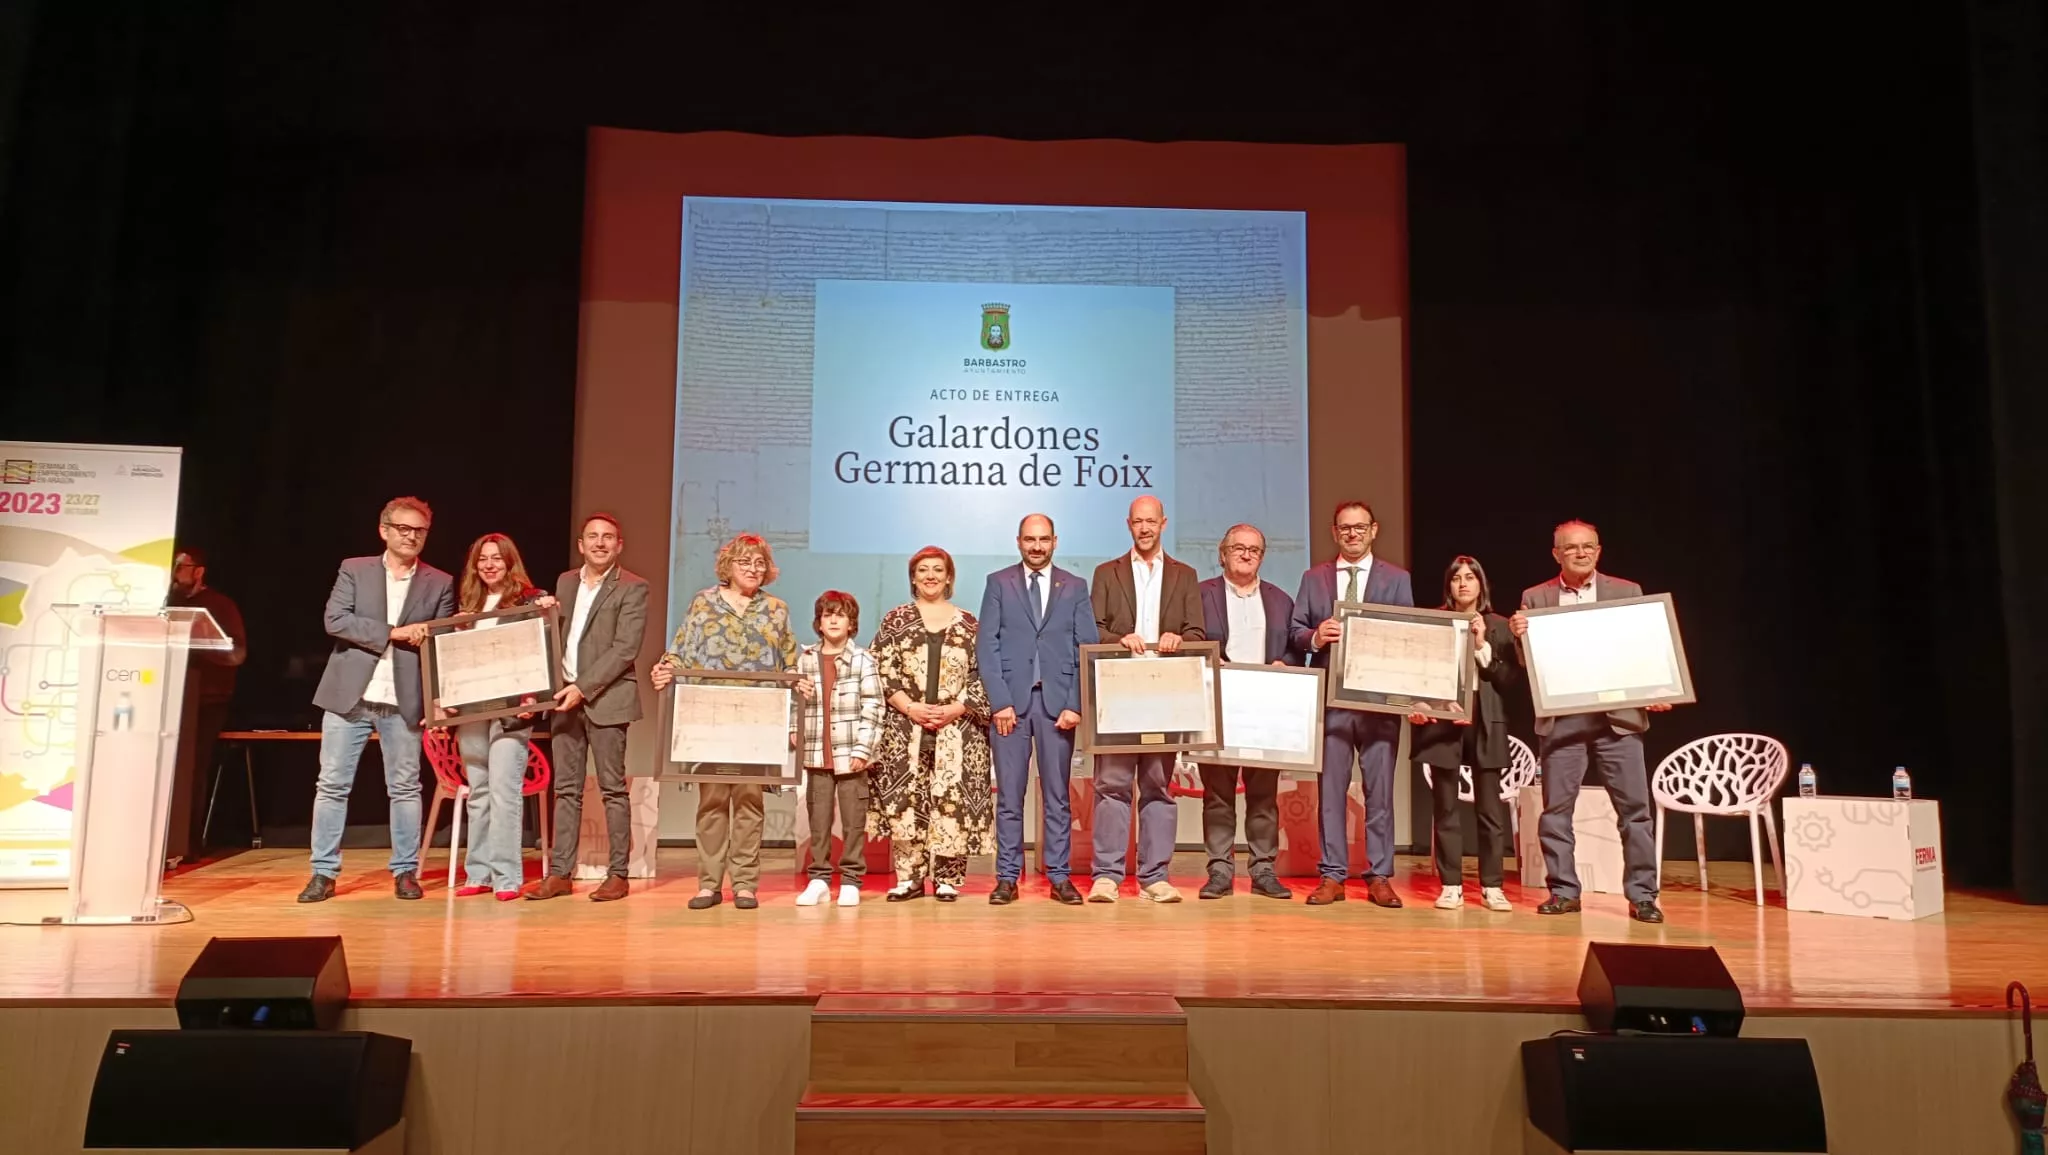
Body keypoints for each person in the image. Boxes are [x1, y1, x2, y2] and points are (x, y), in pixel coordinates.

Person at [1511, 519, 1670, 923]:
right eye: (1571, 548)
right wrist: (1519, 637)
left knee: (1635, 812)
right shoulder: (1536, 597)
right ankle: (1564, 891)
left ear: (1599, 551)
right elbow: (1524, 664)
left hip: (1616, 721)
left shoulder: (1626, 591)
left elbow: (1644, 648)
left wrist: (1656, 690)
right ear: (1556, 554)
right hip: (1563, 720)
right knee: (1556, 813)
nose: (1581, 553)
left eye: (1588, 547)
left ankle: (1643, 896)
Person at [299, 497, 455, 903]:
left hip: (404, 699)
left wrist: (438, 697)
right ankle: (323, 872)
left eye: (419, 530)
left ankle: (405, 871)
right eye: (404, 529)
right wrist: (393, 633)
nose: (411, 537)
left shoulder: (440, 581)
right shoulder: (355, 569)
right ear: (384, 530)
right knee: (332, 785)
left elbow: (443, 641)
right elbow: (336, 620)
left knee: (405, 787)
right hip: (350, 695)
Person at [653, 532, 798, 911]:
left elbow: (789, 662)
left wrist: (799, 700)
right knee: (713, 800)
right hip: (710, 717)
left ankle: (746, 884)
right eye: (744, 562)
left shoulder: (776, 609)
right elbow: (681, 649)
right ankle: (709, 883)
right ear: (728, 566)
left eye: (759, 563)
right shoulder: (704, 603)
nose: (753, 569)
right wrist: (665, 670)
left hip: (757, 720)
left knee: (749, 802)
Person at [1290, 500, 1414, 908]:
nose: (1353, 533)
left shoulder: (1397, 579)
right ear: (1334, 532)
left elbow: (1409, 637)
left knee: (1379, 793)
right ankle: (1332, 876)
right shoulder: (1314, 578)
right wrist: (1315, 636)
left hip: (1379, 702)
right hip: (1333, 702)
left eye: (1360, 527)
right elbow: (1295, 631)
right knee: (1332, 791)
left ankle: (1379, 875)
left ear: (1374, 530)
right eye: (1345, 528)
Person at [525, 513, 649, 903]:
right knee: (566, 790)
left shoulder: (633, 587)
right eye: (592, 537)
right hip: (564, 701)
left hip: (606, 699)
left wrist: (583, 687)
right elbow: (557, 638)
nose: (600, 543)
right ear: (581, 544)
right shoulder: (565, 582)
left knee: (613, 789)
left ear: (619, 545)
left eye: (608, 537)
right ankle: (560, 873)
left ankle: (618, 874)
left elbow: (625, 649)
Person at [1088, 495, 1206, 904]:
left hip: (1165, 695)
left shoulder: (1185, 575)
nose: (1144, 528)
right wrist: (1118, 640)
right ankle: (1107, 875)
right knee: (1112, 785)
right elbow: (1092, 631)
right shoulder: (1107, 573)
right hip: (1119, 693)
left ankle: (1155, 876)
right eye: (1138, 521)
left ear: (1164, 523)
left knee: (1158, 786)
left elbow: (1198, 633)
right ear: (1128, 525)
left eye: (1151, 521)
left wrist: (1180, 639)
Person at [976, 513, 1096, 907]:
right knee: (1010, 796)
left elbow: (1086, 649)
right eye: (1030, 539)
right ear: (1018, 541)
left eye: (1043, 539)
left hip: (1057, 706)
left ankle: (1059, 877)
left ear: (1055, 542)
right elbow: (986, 647)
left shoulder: (1075, 586)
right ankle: (1007, 877)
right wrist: (1000, 703)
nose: (1037, 546)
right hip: (1012, 706)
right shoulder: (999, 583)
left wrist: (1075, 703)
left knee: (1057, 796)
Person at [867, 545, 996, 902]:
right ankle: (909, 877)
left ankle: (947, 880)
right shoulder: (895, 620)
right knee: (908, 800)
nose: (930, 576)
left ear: (949, 576)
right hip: (904, 729)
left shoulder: (971, 624)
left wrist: (958, 707)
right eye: (923, 570)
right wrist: (909, 708)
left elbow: (985, 673)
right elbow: (880, 670)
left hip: (959, 729)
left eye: (938, 569)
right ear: (913, 577)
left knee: (951, 802)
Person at [445, 534, 553, 901]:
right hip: (474, 709)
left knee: (504, 792)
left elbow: (540, 655)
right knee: (479, 793)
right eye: (482, 559)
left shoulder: (530, 600)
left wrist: (534, 700)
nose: (490, 565)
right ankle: (478, 873)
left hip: (512, 712)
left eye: (497, 558)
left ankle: (507, 877)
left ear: (510, 562)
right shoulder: (468, 607)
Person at [1409, 556, 1519, 912]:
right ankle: (1452, 883)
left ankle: (1492, 885)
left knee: (1490, 811)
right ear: (1449, 586)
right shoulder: (1435, 622)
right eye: (1457, 578)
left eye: (1470, 578)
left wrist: (1481, 645)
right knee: (1445, 809)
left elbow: (1508, 681)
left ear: (1481, 584)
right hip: (1443, 725)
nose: (1463, 584)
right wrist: (1420, 705)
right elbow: (1418, 674)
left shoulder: (1499, 626)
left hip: (1486, 724)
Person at [1195, 524, 1300, 900]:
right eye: (1238, 548)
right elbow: (1190, 637)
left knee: (1263, 794)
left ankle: (1263, 870)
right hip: (1218, 703)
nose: (1245, 554)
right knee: (1218, 794)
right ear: (1222, 554)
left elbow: (1293, 648)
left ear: (1262, 556)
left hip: (1264, 708)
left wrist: (1283, 663)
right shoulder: (1200, 594)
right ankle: (1220, 871)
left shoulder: (1280, 600)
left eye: (1254, 549)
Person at [793, 591, 884, 908]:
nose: (833, 619)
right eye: (827, 614)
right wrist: (795, 729)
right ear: (818, 622)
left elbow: (874, 706)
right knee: (817, 819)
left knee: (853, 820)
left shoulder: (863, 660)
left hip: (852, 755)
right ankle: (818, 879)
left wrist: (864, 748)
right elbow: (795, 702)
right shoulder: (805, 659)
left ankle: (851, 880)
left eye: (840, 614)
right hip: (817, 752)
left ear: (851, 623)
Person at [165, 546, 246, 864]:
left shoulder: (219, 606)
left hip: (206, 699)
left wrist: (193, 644)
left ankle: (187, 845)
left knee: (192, 770)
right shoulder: (166, 605)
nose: (175, 572)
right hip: (167, 696)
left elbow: (236, 653)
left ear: (199, 571)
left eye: (181, 566)